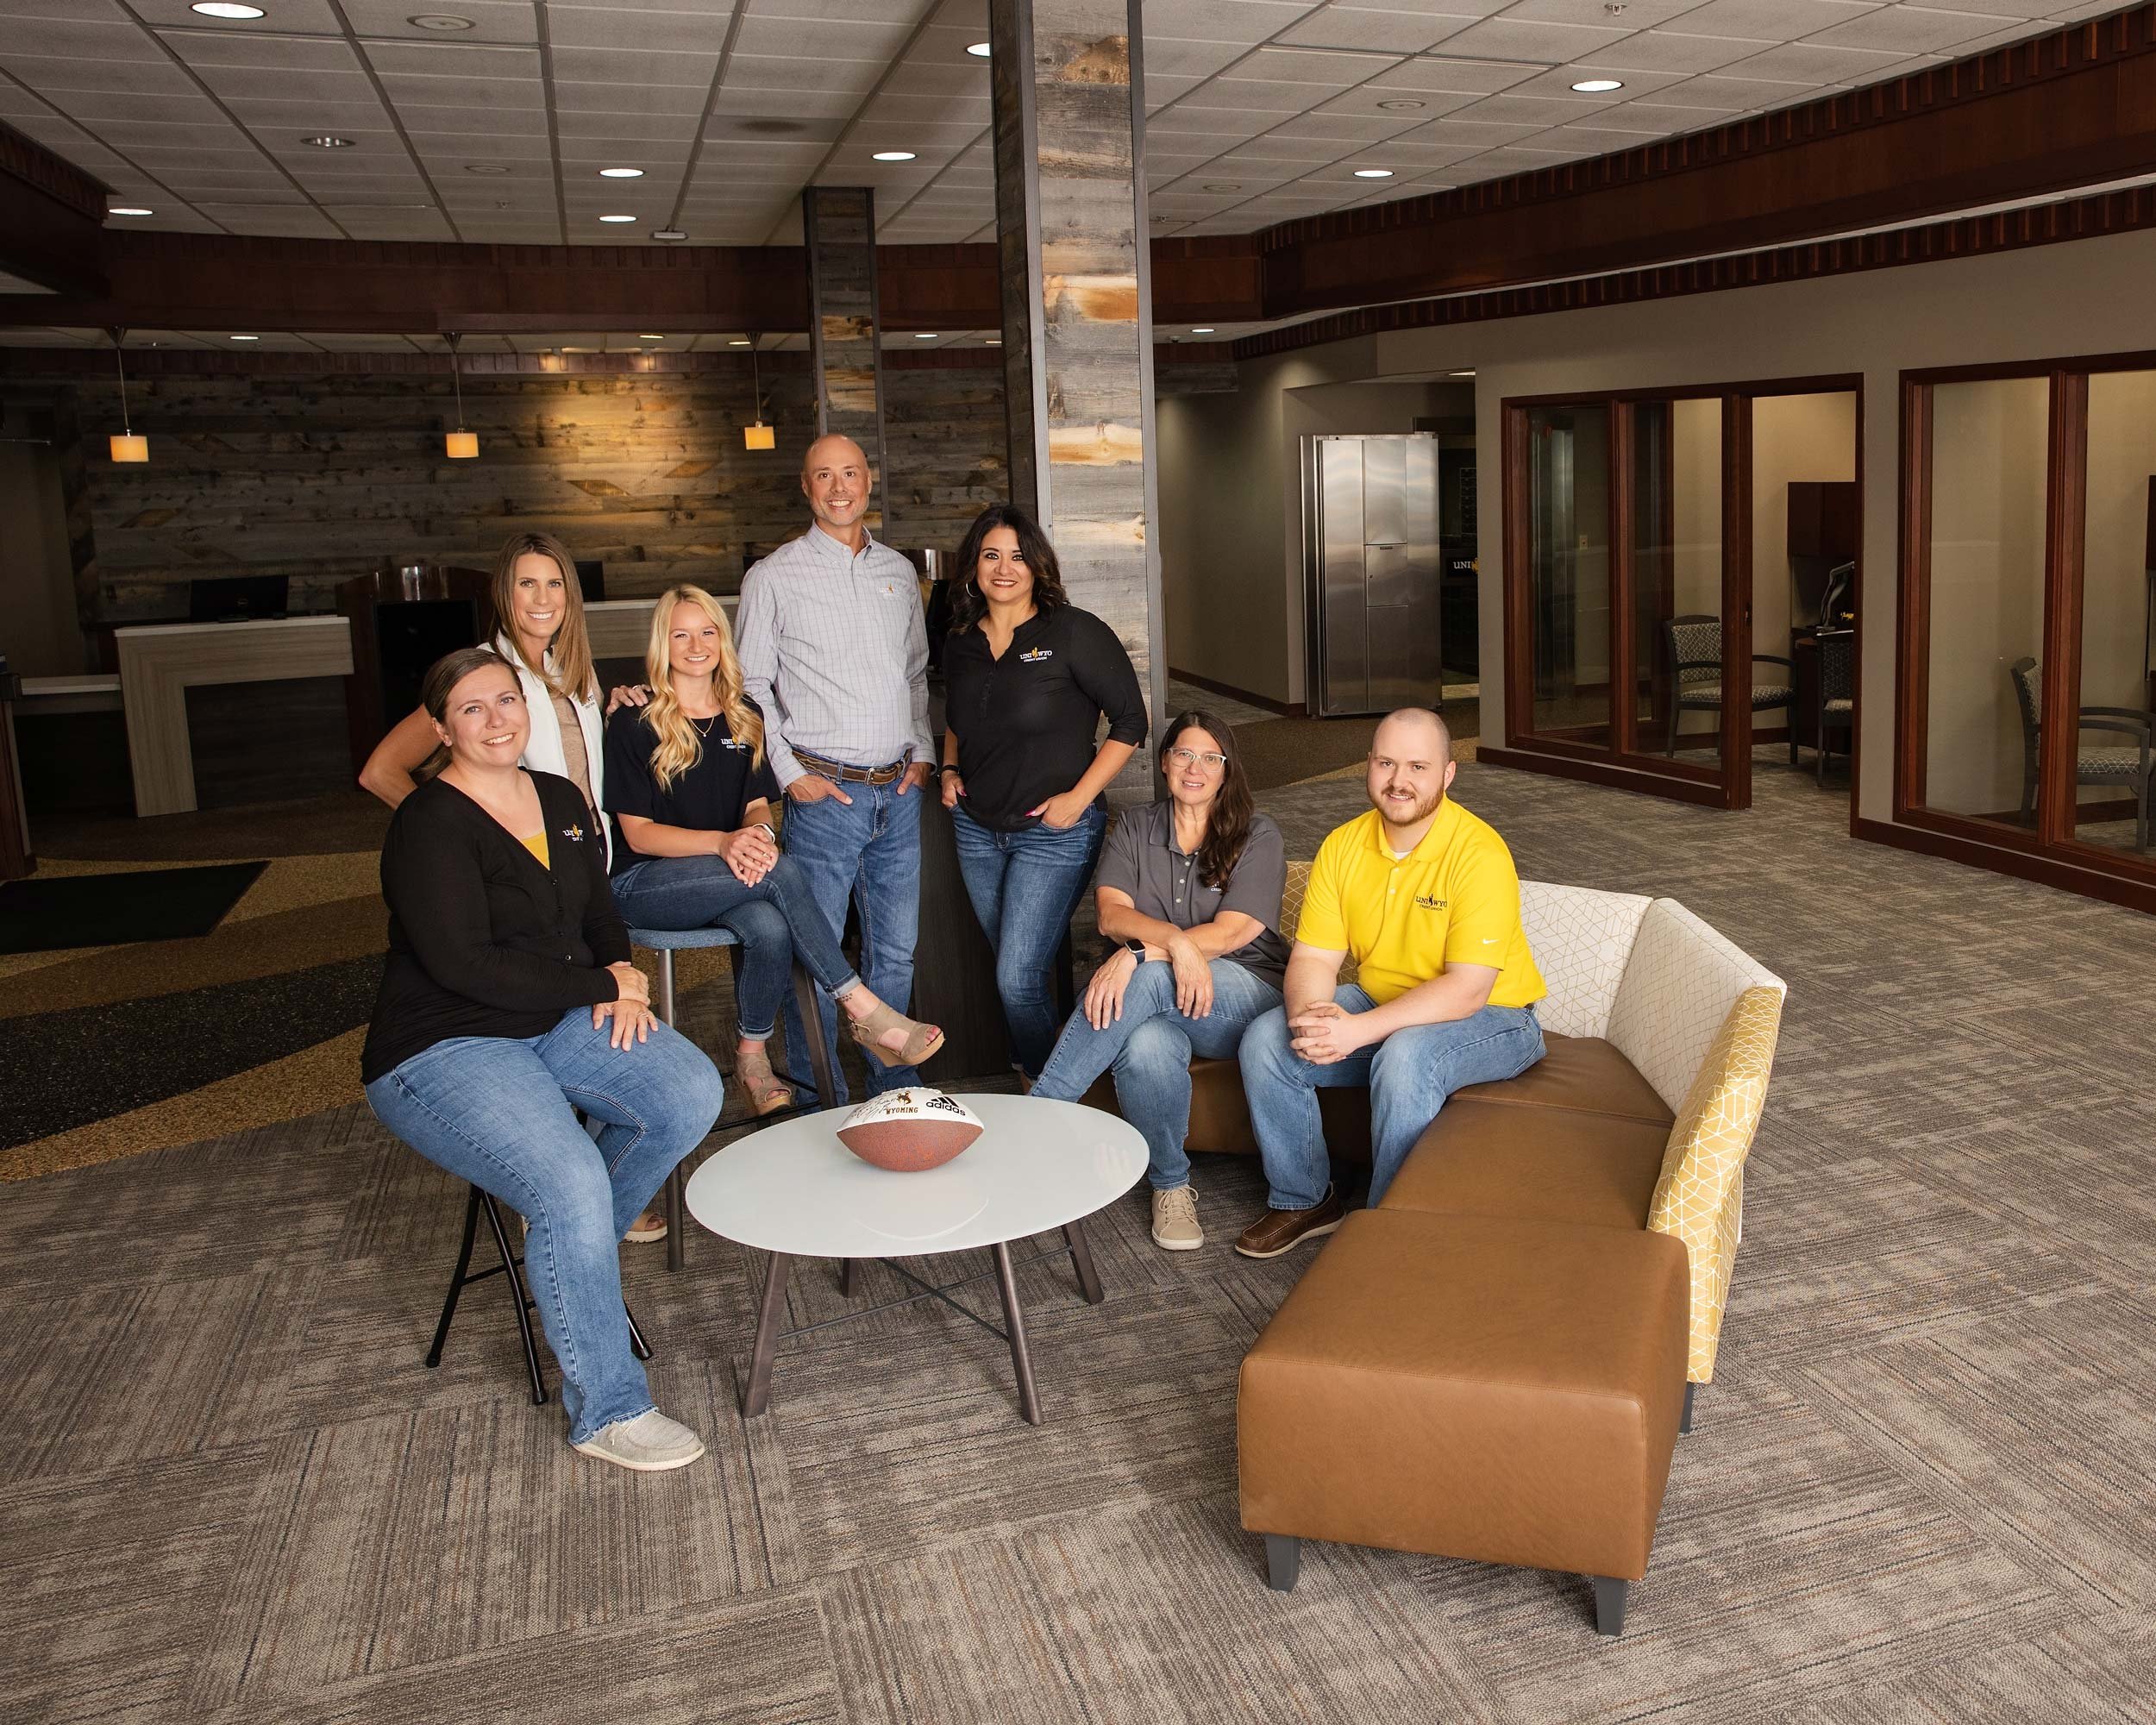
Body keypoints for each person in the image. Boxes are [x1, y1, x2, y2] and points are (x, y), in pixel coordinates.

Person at [361, 647, 724, 1472]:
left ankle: (568, 1238)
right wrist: (603, 979)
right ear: (442, 729)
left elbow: (598, 912)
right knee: (566, 1183)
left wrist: (620, 981)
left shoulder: (560, 797)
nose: (496, 721)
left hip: (554, 1011)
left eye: (505, 702)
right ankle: (609, 1408)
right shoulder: (427, 823)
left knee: (685, 1090)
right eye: (472, 710)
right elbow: (462, 964)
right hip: (446, 1041)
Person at [360, 533, 667, 1236]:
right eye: (526, 585)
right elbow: (382, 769)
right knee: (575, 1009)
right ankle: (564, 1196)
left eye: (554, 584)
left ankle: (582, 1199)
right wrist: (456, 840)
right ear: (505, 594)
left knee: (609, 1032)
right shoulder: (482, 676)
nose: (542, 599)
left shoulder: (571, 670)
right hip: (508, 917)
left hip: (580, 875)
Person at [604, 586, 943, 1110]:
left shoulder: (744, 714)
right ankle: (865, 1010)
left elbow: (757, 805)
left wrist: (756, 836)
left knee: (768, 924)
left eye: (708, 632)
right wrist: (726, 843)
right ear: (661, 644)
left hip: (727, 871)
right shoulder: (634, 721)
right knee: (780, 873)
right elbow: (638, 834)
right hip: (646, 883)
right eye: (681, 635)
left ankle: (752, 1057)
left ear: (723, 639)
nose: (696, 645)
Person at [1234, 707, 1548, 1260]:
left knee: (1405, 1056)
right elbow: (1312, 958)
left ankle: (1386, 1235)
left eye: (1417, 767)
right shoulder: (1344, 845)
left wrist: (1358, 1032)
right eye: (1385, 763)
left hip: (1495, 1018)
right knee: (1268, 1039)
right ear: (1369, 765)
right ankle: (1304, 1198)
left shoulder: (1479, 853)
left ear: (1448, 775)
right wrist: (1315, 1021)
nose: (1398, 780)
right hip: (1385, 1001)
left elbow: (1469, 989)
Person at [1029, 713, 1287, 1250]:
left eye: (1210, 758)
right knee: (1145, 1044)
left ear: (1226, 770)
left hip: (1242, 1000)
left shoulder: (1257, 833)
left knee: (1145, 980)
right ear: (1165, 762)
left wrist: (1144, 953)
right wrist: (1170, 942)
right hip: (1162, 1003)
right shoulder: (1137, 826)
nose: (1195, 768)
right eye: (1183, 755)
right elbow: (1110, 915)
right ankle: (1171, 1186)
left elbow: (1236, 930)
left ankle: (1040, 1113)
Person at [736, 435, 935, 1101]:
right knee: (816, 952)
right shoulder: (773, 576)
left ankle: (895, 1086)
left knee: (896, 952)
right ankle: (824, 1096)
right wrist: (789, 773)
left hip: (898, 791)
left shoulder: (900, 572)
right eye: (824, 475)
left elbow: (914, 675)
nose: (839, 487)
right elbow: (751, 687)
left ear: (869, 481)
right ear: (806, 486)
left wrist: (924, 753)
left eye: (850, 473)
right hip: (824, 794)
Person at [939, 504, 1148, 1077]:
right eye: (990, 556)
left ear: (1037, 565)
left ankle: (1049, 1091)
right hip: (976, 829)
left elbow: (1131, 722)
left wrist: (1078, 800)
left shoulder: (1073, 632)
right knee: (1019, 970)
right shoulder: (960, 638)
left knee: (1016, 976)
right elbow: (957, 717)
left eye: (1017, 556)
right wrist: (950, 771)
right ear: (973, 567)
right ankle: (1052, 1069)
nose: (1004, 569)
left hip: (1053, 834)